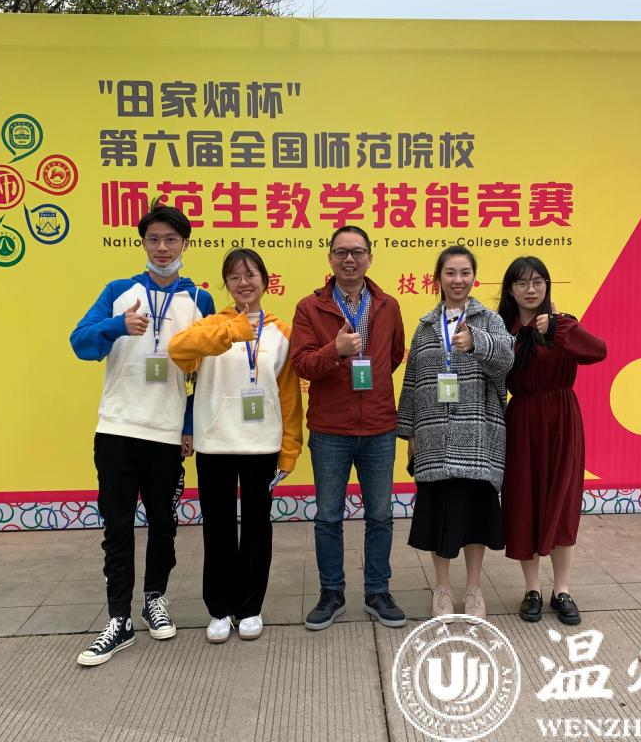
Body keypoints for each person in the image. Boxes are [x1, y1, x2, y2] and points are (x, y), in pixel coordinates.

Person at [70, 204, 214, 666]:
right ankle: (119, 619)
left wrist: (188, 426)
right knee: (116, 526)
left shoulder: (200, 300)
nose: (162, 248)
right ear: (143, 243)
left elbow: (206, 374)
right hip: (117, 428)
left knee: (163, 525)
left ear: (185, 244)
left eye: (171, 239)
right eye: (154, 239)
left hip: (167, 434)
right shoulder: (119, 292)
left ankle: (155, 598)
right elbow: (79, 343)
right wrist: (117, 326)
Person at [168, 249, 303, 643]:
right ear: (226, 284)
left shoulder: (282, 332)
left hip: (263, 446)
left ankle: (250, 607)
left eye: (251, 275)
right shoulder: (211, 325)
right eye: (234, 277)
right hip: (216, 444)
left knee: (258, 529)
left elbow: (290, 398)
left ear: (265, 280)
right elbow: (178, 351)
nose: (244, 283)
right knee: (219, 529)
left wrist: (289, 450)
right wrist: (231, 331)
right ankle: (219, 608)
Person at [290, 225, 407, 630]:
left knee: (380, 515)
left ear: (370, 257)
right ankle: (331, 593)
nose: (349, 259)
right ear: (330, 258)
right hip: (330, 430)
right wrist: (335, 351)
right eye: (341, 252)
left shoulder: (387, 305)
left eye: (357, 251)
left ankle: (377, 591)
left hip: (378, 427)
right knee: (327, 516)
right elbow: (302, 364)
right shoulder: (310, 308)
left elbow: (393, 356)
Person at [397, 245, 514, 618]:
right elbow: (412, 381)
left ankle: (474, 589)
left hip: (477, 433)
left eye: (465, 272)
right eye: (450, 273)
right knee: (439, 515)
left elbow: (507, 360)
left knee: (475, 517)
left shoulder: (489, 320)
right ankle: (443, 589)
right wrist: (410, 432)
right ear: (438, 279)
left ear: (474, 277)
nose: (457, 280)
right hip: (433, 436)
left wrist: (477, 342)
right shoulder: (426, 326)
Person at [498, 256, 606, 625]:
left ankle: (562, 589)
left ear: (547, 286)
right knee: (524, 502)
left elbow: (598, 351)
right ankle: (532, 589)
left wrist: (558, 328)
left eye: (538, 282)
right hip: (522, 419)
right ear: (510, 290)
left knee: (562, 500)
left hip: (562, 418)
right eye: (522, 283)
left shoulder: (563, 324)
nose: (531, 289)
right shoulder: (502, 329)